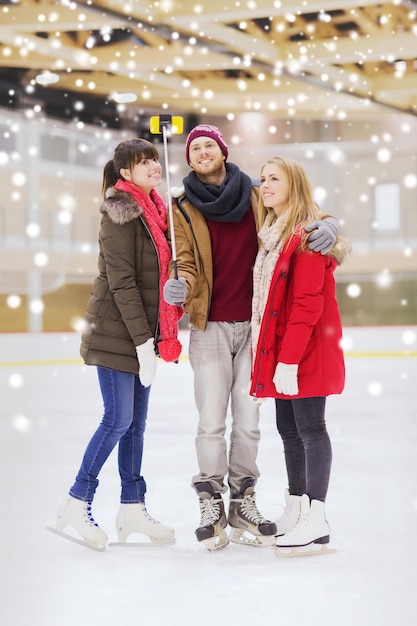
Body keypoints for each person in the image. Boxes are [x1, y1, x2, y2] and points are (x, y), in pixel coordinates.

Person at [163, 124, 340, 551]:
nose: (203, 152)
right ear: (189, 159)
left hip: (258, 327)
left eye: (210, 145)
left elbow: (299, 212)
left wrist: (331, 225)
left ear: (223, 152)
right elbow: (183, 260)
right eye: (195, 148)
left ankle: (243, 498)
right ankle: (210, 497)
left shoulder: (256, 194)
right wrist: (179, 284)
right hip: (209, 325)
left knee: (249, 421)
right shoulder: (183, 207)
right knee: (210, 420)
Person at [55, 138, 182, 550]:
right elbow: (123, 283)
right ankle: (77, 500)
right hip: (116, 332)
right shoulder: (119, 214)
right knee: (117, 419)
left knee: (136, 427)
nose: (153, 166)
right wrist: (145, 344)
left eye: (154, 160)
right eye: (143, 162)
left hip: (141, 331)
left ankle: (132, 507)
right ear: (125, 173)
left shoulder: (157, 213)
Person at [249, 155, 350, 557]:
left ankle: (317, 517)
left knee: (311, 430)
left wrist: (288, 361)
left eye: (275, 178)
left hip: (305, 352)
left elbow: (306, 305)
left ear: (295, 184)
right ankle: (297, 506)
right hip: (283, 351)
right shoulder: (272, 233)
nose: (265, 185)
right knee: (289, 432)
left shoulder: (308, 236)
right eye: (262, 179)